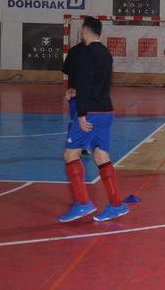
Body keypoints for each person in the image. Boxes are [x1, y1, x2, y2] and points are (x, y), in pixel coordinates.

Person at [59, 17, 129, 223]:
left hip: (90, 112)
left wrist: (80, 114)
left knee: (70, 154)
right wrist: (76, 90)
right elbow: (99, 83)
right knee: (100, 156)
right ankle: (117, 205)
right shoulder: (106, 54)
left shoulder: (85, 53)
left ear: (85, 32)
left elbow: (85, 83)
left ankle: (82, 203)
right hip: (106, 111)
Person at [62, 39, 89, 156]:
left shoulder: (73, 50)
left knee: (74, 118)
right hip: (85, 92)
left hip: (72, 91)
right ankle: (82, 146)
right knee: (84, 119)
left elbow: (64, 69)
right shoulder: (91, 52)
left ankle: (71, 143)